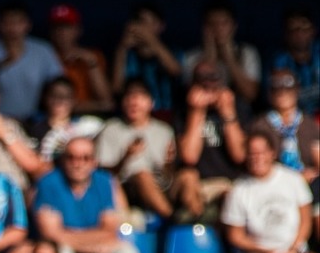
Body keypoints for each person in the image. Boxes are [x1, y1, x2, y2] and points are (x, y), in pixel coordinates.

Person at [32, 138, 141, 253]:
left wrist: (70, 236)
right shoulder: (49, 183)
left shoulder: (104, 181)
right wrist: (91, 242)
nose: (78, 163)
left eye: (85, 158)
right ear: (64, 160)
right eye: (72, 157)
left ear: (93, 161)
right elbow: (51, 234)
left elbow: (110, 232)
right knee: (61, 252)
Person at [222, 127, 317, 253]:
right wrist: (266, 251)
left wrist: (292, 249)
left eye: (261, 152)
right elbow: (235, 235)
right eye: (252, 153)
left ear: (272, 153)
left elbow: (306, 221)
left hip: (294, 252)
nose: (257, 158)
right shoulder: (240, 190)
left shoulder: (292, 180)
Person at [171, 61, 246, 224]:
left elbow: (239, 155)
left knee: (232, 196)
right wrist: (196, 113)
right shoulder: (184, 111)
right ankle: (198, 227)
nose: (208, 90)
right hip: (199, 184)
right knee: (187, 177)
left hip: (230, 182)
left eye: (214, 83)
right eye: (202, 83)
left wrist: (228, 114)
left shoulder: (238, 106)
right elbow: (189, 157)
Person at [95, 79, 177, 220]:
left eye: (140, 97)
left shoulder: (164, 131)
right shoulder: (111, 129)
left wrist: (170, 163)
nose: (134, 103)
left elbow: (168, 175)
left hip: (161, 186)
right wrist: (126, 157)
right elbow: (103, 173)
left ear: (151, 103)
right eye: (129, 97)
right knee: (142, 174)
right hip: (125, 188)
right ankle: (172, 219)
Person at [0, 0, 66, 122]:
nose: (12, 27)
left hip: (33, 120)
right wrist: (4, 63)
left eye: (18, 22)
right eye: (7, 22)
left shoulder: (43, 50)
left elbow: (60, 84)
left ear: (28, 24)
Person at [180, 3, 260, 112]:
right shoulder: (191, 56)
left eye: (223, 23)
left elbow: (250, 94)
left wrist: (229, 57)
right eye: (212, 24)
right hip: (203, 113)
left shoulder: (247, 53)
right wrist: (210, 55)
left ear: (234, 26)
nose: (218, 29)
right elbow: (192, 94)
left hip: (238, 114)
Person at [111, 2, 181, 118]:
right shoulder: (127, 53)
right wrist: (122, 48)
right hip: (133, 114)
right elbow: (117, 88)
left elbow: (175, 71)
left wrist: (151, 40)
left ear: (161, 26)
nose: (143, 27)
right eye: (140, 22)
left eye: (148, 22)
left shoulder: (172, 51)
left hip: (166, 112)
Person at [254, 70, 320, 181]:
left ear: (297, 90)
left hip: (308, 182)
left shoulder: (309, 123)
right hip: (275, 183)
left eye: (288, 87)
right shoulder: (260, 125)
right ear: (269, 94)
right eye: (276, 88)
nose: (282, 93)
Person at [47, 5, 112, 115]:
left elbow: (107, 102)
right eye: (57, 27)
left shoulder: (92, 56)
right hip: (55, 117)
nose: (62, 32)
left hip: (88, 118)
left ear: (78, 30)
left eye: (67, 27)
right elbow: (48, 103)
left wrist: (91, 63)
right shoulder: (44, 56)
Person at [26, 76, 101, 166]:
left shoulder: (86, 127)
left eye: (66, 97)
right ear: (45, 98)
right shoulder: (34, 129)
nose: (60, 101)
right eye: (55, 95)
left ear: (74, 100)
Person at [273, 10, 319, 116]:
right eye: (293, 29)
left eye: (304, 27)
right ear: (286, 34)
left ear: (313, 30)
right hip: (295, 121)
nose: (299, 33)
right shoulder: (279, 61)